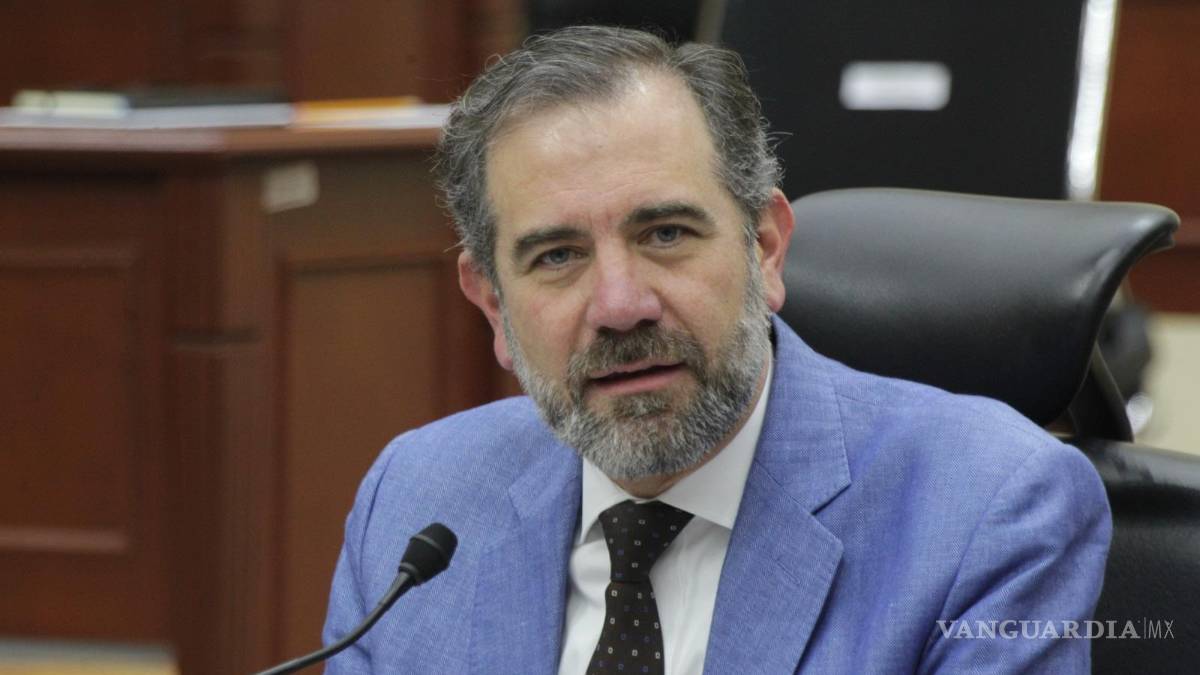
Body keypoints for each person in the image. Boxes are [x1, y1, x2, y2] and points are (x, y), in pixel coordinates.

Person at [323, 26, 1111, 674]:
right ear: (494, 303)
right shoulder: (417, 500)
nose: (620, 307)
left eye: (665, 233)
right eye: (557, 256)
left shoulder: (986, 511)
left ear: (764, 247)